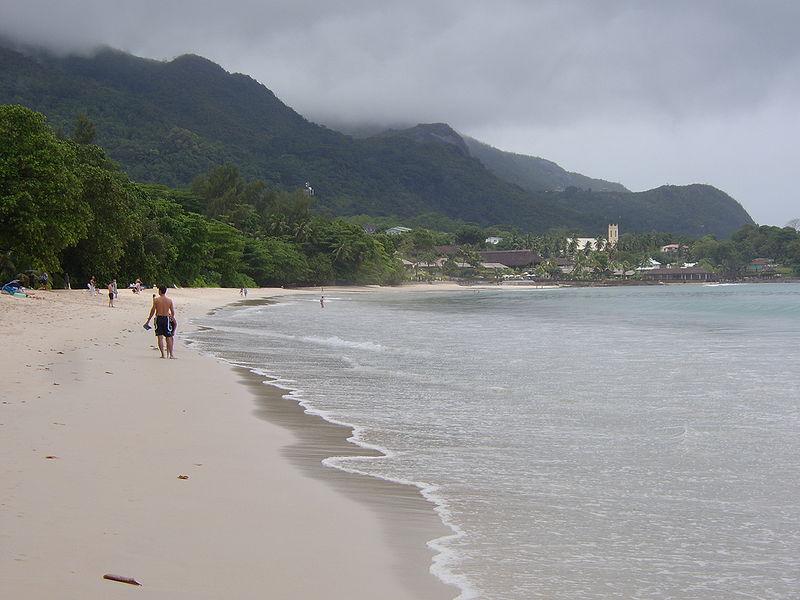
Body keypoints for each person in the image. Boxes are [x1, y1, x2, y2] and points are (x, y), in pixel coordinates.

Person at [144, 285, 177, 359]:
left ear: (160, 291)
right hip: (166, 318)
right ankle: (171, 355)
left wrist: (148, 320)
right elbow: (172, 312)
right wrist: (171, 318)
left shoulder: (156, 300)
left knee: (160, 337)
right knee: (168, 336)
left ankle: (163, 354)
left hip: (159, 318)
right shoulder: (169, 301)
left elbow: (152, 311)